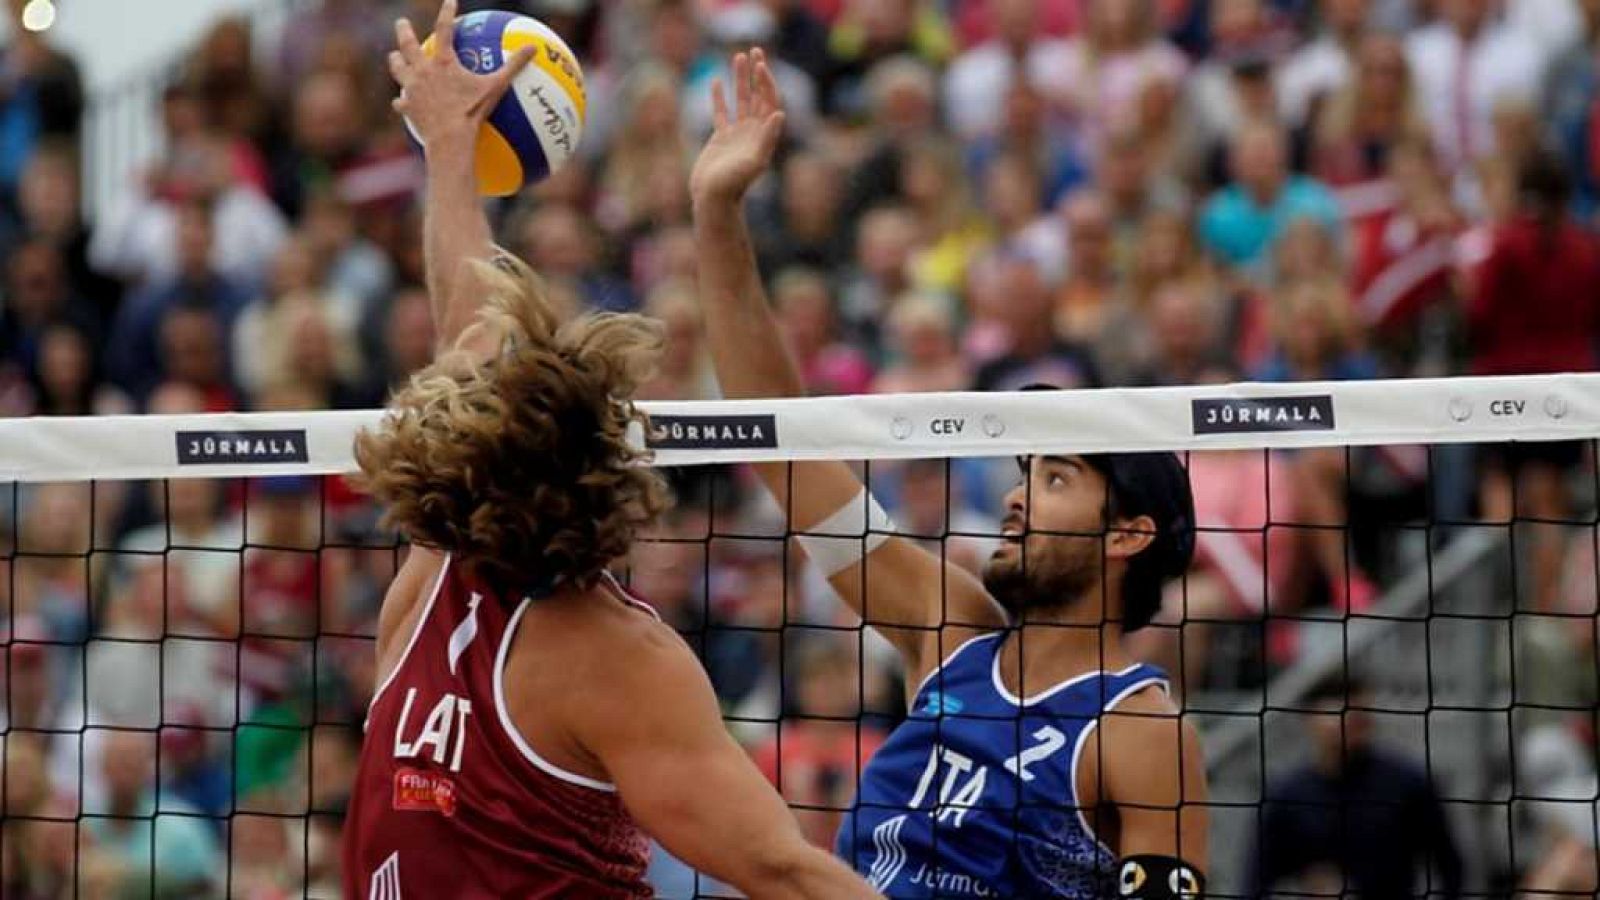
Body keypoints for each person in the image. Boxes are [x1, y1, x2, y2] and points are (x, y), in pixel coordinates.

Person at [340, 7, 876, 898]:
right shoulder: (444, 566)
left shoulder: (605, 653)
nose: (447, 408)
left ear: (475, 473)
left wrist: (448, 151)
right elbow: (469, 325)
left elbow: (784, 871)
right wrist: (448, 149)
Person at [691, 49, 1208, 897]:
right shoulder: (949, 631)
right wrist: (717, 214)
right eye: (1025, 472)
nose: (1013, 495)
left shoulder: (1141, 730)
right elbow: (785, 446)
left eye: (1054, 479)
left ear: (1129, 533)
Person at [1248, 672, 1463, 898]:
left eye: (1361, 717)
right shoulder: (1285, 793)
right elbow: (1255, 882)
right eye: (1341, 715)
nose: (1354, 724)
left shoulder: (1408, 783)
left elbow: (1450, 867)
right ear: (1310, 718)